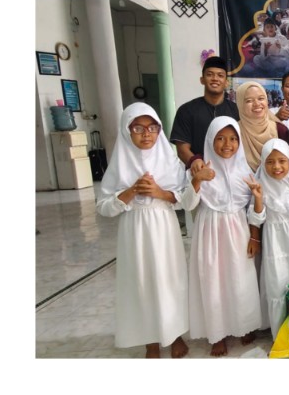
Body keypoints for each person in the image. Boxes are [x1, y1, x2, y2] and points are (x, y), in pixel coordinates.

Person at [96, 103, 189, 358]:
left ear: (159, 130)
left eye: (152, 127)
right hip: (134, 230)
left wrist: (159, 192)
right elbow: (103, 207)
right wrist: (129, 193)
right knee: (141, 281)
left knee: (169, 278)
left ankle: (175, 333)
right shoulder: (119, 164)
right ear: (127, 131)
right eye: (138, 128)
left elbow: (184, 196)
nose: (146, 134)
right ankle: (149, 340)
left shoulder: (169, 161)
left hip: (164, 227)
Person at [181, 118, 263, 356]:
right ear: (210, 140)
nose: (227, 144)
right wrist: (197, 180)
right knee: (213, 280)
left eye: (233, 138)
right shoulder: (198, 170)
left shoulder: (245, 171)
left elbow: (252, 208)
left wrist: (254, 237)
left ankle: (243, 326)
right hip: (210, 231)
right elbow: (187, 204)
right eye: (220, 138)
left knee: (241, 278)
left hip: (239, 229)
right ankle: (216, 334)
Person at [249, 138, 289, 335]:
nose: (276, 167)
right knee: (276, 284)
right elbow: (257, 218)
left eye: (282, 161)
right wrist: (259, 198)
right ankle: (279, 335)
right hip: (274, 244)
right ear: (262, 163)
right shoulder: (259, 185)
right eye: (270, 162)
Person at [169, 55, 239, 173]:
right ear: (202, 79)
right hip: (197, 173)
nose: (215, 79)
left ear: (226, 82)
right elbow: (182, 148)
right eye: (210, 74)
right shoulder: (186, 110)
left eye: (220, 75)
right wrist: (194, 162)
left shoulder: (236, 110)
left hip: (231, 173)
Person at [234, 81, 289, 176]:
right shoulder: (234, 131)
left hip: (276, 186)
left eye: (261, 98)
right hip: (242, 185)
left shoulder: (280, 130)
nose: (257, 104)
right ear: (240, 104)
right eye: (249, 100)